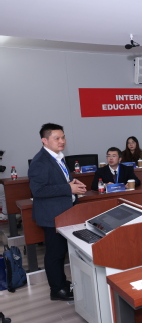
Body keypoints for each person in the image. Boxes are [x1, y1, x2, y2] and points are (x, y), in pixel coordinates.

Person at [29, 123, 87, 301]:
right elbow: (38, 191)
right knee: (55, 254)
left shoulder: (58, 157)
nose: (62, 141)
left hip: (64, 213)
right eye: (57, 138)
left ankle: (61, 282)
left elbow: (59, 180)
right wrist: (68, 188)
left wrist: (72, 182)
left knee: (60, 252)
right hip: (51, 215)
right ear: (45, 140)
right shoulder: (40, 161)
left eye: (63, 137)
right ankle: (57, 290)